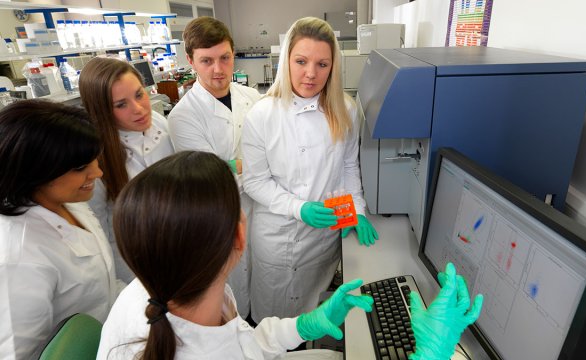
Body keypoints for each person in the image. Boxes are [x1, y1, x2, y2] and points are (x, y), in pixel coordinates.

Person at [97, 151, 483, 359]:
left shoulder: (157, 291)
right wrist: (431, 356)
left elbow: (242, 342)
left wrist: (306, 325)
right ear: (240, 234)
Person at [242, 17, 378, 322]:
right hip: (275, 238)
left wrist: (357, 210)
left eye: (322, 64)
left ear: (333, 67)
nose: (310, 74)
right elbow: (255, 182)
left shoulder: (346, 109)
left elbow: (348, 167)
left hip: (322, 240)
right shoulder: (262, 115)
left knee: (315, 317)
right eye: (301, 61)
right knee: (271, 324)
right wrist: (298, 208)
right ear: (286, 60)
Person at [0, 100, 120, 359]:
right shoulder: (18, 257)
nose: (97, 172)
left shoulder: (67, 202)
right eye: (80, 168)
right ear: (35, 170)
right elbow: (18, 353)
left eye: (94, 161)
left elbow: (103, 285)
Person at [168, 16, 261, 319]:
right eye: (206, 61)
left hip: (261, 207)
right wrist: (252, 163)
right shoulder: (183, 117)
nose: (218, 69)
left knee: (264, 285)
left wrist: (238, 165)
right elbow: (210, 175)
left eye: (225, 58)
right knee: (233, 299)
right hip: (219, 218)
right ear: (190, 61)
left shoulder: (252, 97)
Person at [79, 56, 175, 283]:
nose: (139, 109)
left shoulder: (159, 124)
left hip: (174, 241)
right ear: (101, 110)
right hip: (132, 262)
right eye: (121, 104)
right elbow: (98, 228)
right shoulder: (96, 157)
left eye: (139, 94)